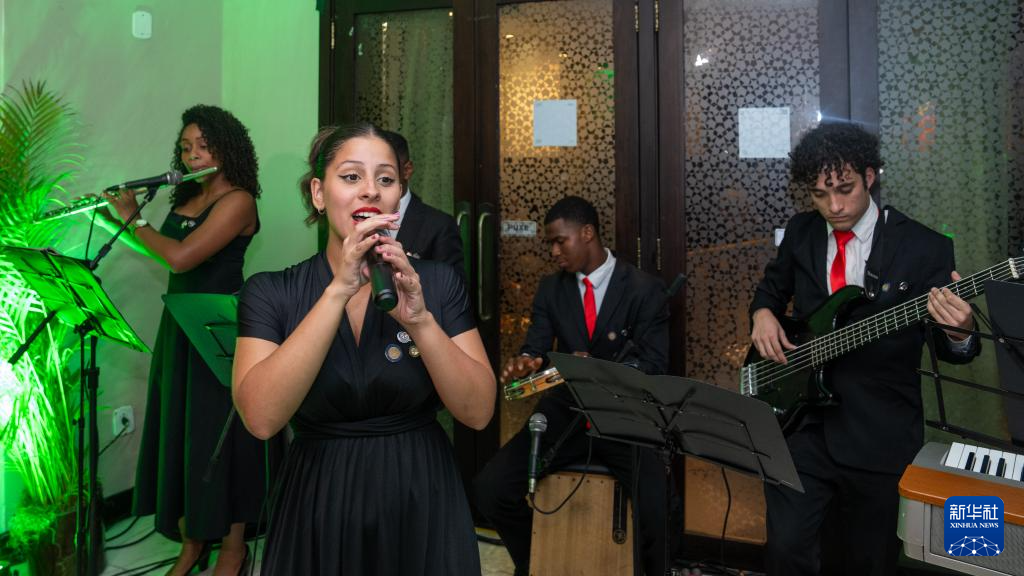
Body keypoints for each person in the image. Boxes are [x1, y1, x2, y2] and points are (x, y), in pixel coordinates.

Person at [232, 122, 495, 574]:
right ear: (318, 193)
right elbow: (261, 418)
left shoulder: (437, 283)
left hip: (420, 493)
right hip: (318, 497)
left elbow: (478, 412)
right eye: (351, 176)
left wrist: (421, 322)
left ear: (398, 198)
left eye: (386, 179)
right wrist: (338, 291)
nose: (370, 190)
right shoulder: (271, 292)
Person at [749, 121, 980, 576]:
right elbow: (771, 290)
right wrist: (762, 314)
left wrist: (961, 331)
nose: (833, 206)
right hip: (802, 423)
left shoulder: (925, 247)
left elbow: (952, 347)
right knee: (786, 550)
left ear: (869, 176)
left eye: (845, 190)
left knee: (867, 561)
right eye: (819, 195)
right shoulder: (801, 231)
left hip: (879, 432)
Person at [100, 104, 272, 575]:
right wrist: (121, 222)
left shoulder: (238, 201)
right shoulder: (189, 196)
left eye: (204, 146)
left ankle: (233, 547)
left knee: (222, 437)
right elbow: (161, 251)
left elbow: (181, 258)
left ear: (227, 149)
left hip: (217, 328)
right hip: (179, 325)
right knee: (184, 435)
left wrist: (136, 221)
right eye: (186, 147)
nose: (193, 155)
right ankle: (192, 542)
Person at [473, 195, 677, 576]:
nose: (553, 251)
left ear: (587, 233)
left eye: (559, 241)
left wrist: (598, 369)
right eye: (549, 243)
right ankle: (537, 561)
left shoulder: (643, 288)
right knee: (491, 488)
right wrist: (526, 362)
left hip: (624, 418)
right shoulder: (551, 289)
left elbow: (654, 366)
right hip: (565, 413)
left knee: (659, 506)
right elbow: (536, 348)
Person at [382, 130, 465, 278]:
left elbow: (453, 288)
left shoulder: (440, 227)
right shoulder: (355, 219)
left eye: (384, 177)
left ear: (407, 170)